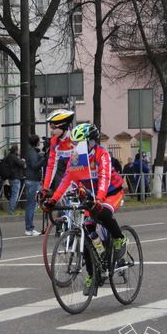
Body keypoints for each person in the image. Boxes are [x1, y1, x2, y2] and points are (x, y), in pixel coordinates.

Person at [42, 123, 127, 295]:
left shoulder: (101, 154)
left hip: (111, 192)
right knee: (87, 230)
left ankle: (119, 239)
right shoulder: (77, 158)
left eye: (79, 143)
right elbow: (67, 180)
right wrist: (53, 200)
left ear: (91, 142)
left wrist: (100, 199)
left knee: (104, 212)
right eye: (74, 143)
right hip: (93, 196)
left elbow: (104, 178)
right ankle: (94, 269)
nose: (76, 147)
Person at [41, 109, 76, 200]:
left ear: (63, 126)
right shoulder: (54, 141)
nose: (52, 131)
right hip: (63, 181)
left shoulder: (75, 139)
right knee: (62, 209)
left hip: (78, 180)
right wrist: (45, 188)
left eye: (53, 127)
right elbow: (52, 165)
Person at [23, 134, 44, 236]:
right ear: (37, 142)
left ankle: (29, 227)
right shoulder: (32, 153)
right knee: (31, 205)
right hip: (32, 181)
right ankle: (29, 228)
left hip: (31, 180)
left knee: (31, 205)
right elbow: (35, 166)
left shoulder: (32, 152)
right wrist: (43, 159)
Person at [4, 144, 26, 214]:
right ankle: (11, 210)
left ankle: (11, 209)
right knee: (15, 195)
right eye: (18, 150)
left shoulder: (8, 157)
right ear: (16, 150)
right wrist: (23, 161)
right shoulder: (14, 157)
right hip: (15, 177)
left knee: (13, 194)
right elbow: (22, 165)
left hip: (10, 177)